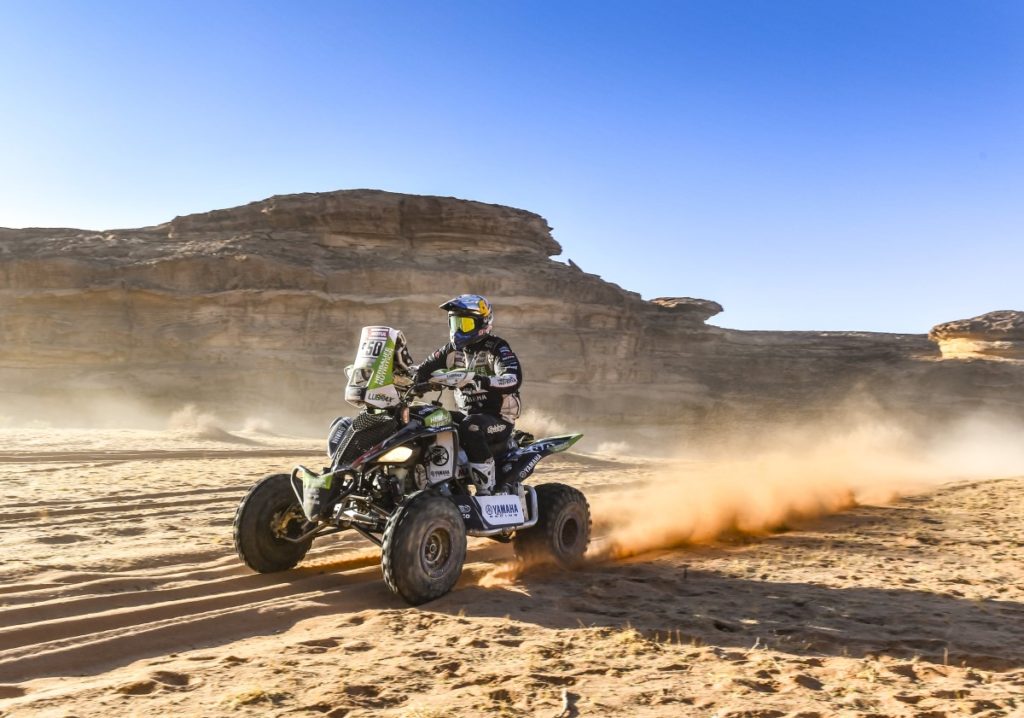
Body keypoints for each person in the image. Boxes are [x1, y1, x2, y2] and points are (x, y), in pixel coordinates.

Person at [413, 294, 523, 494]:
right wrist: (404, 376)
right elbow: (422, 369)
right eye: (454, 323)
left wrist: (483, 380)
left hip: (498, 418)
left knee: (471, 427)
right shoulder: (451, 350)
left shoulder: (497, 347)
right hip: (467, 413)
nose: (457, 330)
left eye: (463, 323)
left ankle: (486, 489)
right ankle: (432, 481)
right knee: (426, 419)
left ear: (482, 322)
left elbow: (513, 377)